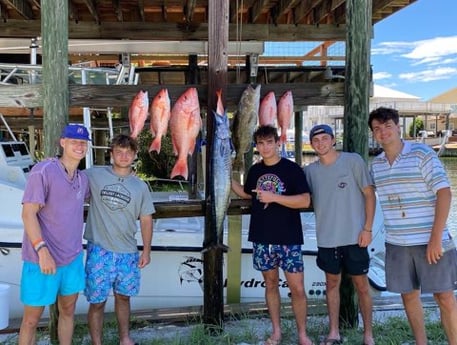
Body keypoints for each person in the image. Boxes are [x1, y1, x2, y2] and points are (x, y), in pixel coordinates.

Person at [368, 107, 457, 345]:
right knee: (408, 296)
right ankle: (421, 342)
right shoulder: (376, 165)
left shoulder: (422, 154)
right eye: (377, 128)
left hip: (431, 240)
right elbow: (367, 195)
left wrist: (436, 238)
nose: (383, 132)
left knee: (445, 297)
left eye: (387, 126)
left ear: (398, 127)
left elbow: (445, 193)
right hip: (396, 242)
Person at [231, 125, 314, 345]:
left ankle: (302, 334)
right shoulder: (255, 171)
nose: (265, 147)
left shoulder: (292, 169)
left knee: (297, 288)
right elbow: (249, 194)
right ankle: (276, 331)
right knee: (270, 285)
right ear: (256, 146)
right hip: (262, 238)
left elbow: (305, 200)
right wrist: (225, 179)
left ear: (278, 143)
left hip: (289, 238)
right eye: (260, 143)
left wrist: (274, 197)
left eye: (269, 142)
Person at [19, 123, 91, 345]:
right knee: (31, 320)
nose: (79, 146)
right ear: (63, 143)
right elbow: (28, 214)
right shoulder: (43, 171)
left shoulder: (82, 178)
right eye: (73, 142)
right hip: (42, 259)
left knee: (68, 310)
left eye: (83, 142)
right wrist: (42, 250)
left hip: (72, 258)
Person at [304, 124, 376, 345]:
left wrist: (367, 228)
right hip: (327, 239)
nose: (320, 143)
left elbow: (369, 195)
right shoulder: (309, 171)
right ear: (311, 144)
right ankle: (334, 331)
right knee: (331, 285)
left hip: (356, 237)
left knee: (362, 286)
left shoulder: (353, 161)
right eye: (316, 140)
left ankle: (368, 334)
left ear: (333, 140)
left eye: (325, 139)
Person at [83, 134, 155, 345]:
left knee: (124, 297)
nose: (123, 156)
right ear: (111, 153)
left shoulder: (140, 186)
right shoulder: (93, 175)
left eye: (128, 152)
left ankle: (125, 338)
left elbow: (146, 220)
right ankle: (97, 342)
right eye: (119, 151)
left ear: (134, 155)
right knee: (97, 302)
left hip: (127, 251)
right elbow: (67, 178)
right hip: (99, 251)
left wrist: (147, 250)